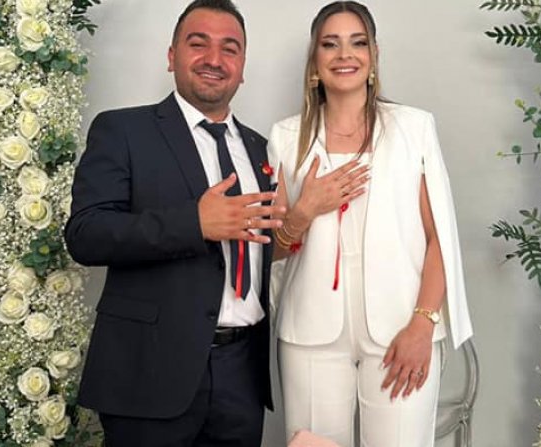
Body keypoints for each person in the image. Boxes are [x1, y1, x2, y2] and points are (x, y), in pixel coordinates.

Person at [64, 1, 284, 445]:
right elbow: (85, 235)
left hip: (242, 376)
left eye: (230, 49)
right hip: (148, 373)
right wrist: (193, 223)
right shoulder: (123, 131)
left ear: (242, 67)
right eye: (198, 44)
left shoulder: (263, 149)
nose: (214, 59)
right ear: (171, 56)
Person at [268, 2, 474, 446]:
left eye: (357, 43)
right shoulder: (285, 137)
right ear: (314, 60)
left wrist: (422, 325)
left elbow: (439, 238)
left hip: (401, 329)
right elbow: (273, 249)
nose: (345, 54)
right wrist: (304, 211)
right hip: (310, 334)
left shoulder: (413, 128)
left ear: (374, 55)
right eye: (330, 44)